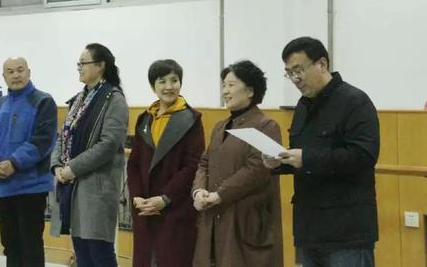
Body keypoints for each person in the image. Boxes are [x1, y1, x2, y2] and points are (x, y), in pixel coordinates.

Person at [263, 37, 379, 267]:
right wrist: (280, 163)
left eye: (299, 70)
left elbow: (363, 155)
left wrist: (305, 159)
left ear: (322, 64)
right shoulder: (303, 106)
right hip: (309, 227)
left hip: (347, 231)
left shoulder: (355, 101)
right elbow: (302, 155)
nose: (295, 79)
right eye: (289, 73)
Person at [192, 60, 283, 267]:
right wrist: (198, 191)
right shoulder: (220, 126)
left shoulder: (266, 125)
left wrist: (220, 194)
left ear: (250, 90)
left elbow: (257, 169)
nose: (225, 91)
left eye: (231, 85)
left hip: (246, 222)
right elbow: (204, 163)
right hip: (213, 217)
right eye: (223, 85)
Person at [50, 43, 129, 267]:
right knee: (81, 252)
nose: (79, 68)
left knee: (99, 252)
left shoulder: (114, 99)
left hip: (96, 187)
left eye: (83, 63)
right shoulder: (78, 99)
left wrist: (73, 168)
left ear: (100, 65)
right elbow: (63, 135)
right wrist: (57, 166)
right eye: (79, 64)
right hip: (71, 185)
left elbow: (108, 144)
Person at [0, 57, 57, 267]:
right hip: (3, 187)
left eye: (20, 70)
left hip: (31, 187)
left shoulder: (43, 102)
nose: (16, 75)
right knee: (10, 246)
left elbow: (42, 141)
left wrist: (14, 163)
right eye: (10, 72)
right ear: (4, 77)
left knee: (30, 246)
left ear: (29, 72)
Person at [127, 59, 205, 267]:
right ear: (153, 86)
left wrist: (165, 198)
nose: (169, 87)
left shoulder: (191, 119)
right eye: (162, 81)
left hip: (175, 208)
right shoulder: (144, 118)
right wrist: (137, 197)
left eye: (174, 80)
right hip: (145, 208)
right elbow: (134, 164)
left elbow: (193, 165)